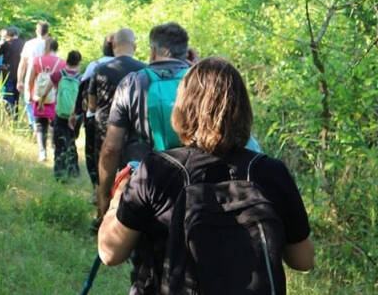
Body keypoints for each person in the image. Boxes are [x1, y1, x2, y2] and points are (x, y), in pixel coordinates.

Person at [98, 57, 314, 295]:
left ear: (182, 108)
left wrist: (118, 196)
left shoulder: (157, 171)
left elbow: (110, 253)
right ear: (243, 109)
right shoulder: (271, 172)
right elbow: (303, 260)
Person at [98, 23, 190, 217]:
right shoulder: (200, 80)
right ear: (186, 52)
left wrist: (105, 194)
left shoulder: (132, 83)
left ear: (153, 50)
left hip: (141, 184)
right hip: (191, 186)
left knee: (116, 246)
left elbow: (111, 148)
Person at [88, 28, 145, 216]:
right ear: (135, 46)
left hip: (104, 128)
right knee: (130, 174)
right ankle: (124, 218)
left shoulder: (100, 69)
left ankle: (101, 216)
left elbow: (91, 103)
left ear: (113, 45)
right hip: (134, 131)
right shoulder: (145, 70)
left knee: (104, 174)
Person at [71, 33, 115, 194]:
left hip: (95, 117)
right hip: (121, 119)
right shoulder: (129, 66)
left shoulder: (95, 65)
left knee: (93, 153)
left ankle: (97, 188)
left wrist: (76, 112)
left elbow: (83, 89)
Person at [28, 38, 65, 162]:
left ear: (47, 47)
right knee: (54, 124)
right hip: (54, 97)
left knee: (40, 124)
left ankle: (42, 152)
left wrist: (30, 92)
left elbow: (31, 79)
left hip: (39, 97)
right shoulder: (62, 63)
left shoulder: (37, 60)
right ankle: (54, 149)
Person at [53, 50, 82, 180]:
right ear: (79, 63)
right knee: (71, 141)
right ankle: (74, 170)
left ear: (67, 60)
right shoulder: (81, 78)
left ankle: (59, 171)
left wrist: (42, 100)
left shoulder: (58, 75)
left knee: (59, 143)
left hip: (60, 114)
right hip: (75, 116)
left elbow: (48, 88)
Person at [18, 21, 50, 131]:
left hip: (31, 77)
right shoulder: (51, 44)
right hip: (46, 78)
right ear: (48, 32)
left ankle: (33, 126)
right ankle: (42, 127)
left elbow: (22, 64)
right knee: (45, 101)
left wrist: (19, 80)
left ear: (36, 31)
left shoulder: (29, 44)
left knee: (29, 101)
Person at [0, 26, 24, 113]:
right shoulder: (23, 44)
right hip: (19, 74)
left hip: (7, 73)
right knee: (16, 95)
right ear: (17, 34)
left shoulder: (6, 44)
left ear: (8, 35)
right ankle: (15, 116)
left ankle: (10, 115)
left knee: (8, 95)